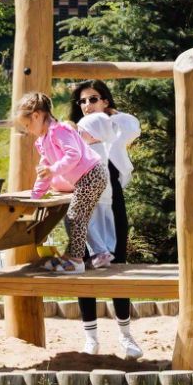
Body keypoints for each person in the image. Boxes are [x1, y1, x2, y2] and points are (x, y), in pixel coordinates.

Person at [70, 80, 143, 359]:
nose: (87, 105)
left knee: (118, 266)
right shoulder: (75, 136)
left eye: (93, 99)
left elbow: (133, 126)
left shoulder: (114, 132)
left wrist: (111, 114)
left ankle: (126, 336)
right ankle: (91, 338)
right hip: (84, 206)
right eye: (82, 101)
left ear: (105, 101)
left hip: (114, 205)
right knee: (83, 268)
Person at [13, 92, 107, 274]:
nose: (28, 130)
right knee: (74, 217)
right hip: (85, 178)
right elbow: (44, 172)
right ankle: (71, 257)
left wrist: (53, 169)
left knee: (75, 217)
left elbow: (74, 155)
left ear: (36, 116)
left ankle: (76, 261)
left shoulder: (60, 130)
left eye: (27, 125)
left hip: (92, 174)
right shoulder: (43, 140)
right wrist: (35, 197)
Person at [77, 112, 117, 268]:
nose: (78, 134)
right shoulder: (101, 148)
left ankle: (101, 252)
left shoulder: (89, 150)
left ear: (93, 134)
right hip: (104, 193)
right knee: (102, 224)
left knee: (84, 221)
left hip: (93, 193)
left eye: (81, 131)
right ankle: (105, 252)